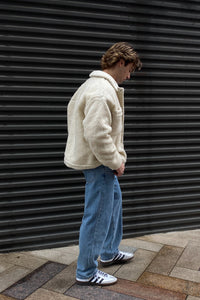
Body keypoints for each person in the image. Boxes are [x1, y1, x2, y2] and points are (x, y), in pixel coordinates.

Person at [64, 42, 142, 286]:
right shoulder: (101, 91)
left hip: (100, 162)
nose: (129, 76)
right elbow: (97, 135)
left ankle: (108, 252)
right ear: (121, 62)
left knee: (114, 202)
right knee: (96, 215)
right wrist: (115, 161)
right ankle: (86, 272)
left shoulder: (97, 86)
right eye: (129, 69)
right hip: (100, 164)